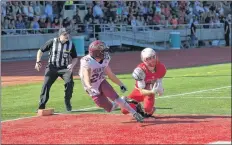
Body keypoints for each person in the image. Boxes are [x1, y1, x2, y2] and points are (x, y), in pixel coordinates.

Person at [79, 40, 144, 122]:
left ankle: (134, 113)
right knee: (109, 108)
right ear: (97, 53)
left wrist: (121, 84)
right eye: (103, 51)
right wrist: (89, 86)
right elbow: (86, 76)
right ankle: (123, 99)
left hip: (101, 81)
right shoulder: (87, 61)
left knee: (115, 97)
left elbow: (110, 74)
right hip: (91, 87)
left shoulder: (105, 59)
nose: (106, 53)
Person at [35, 28, 78, 111]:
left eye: (68, 34)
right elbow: (40, 50)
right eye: (65, 34)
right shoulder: (52, 42)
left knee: (70, 83)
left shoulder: (71, 44)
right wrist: (38, 61)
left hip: (64, 68)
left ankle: (67, 101)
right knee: (46, 85)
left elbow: (75, 58)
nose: (67, 36)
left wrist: (72, 65)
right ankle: (42, 105)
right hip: (52, 67)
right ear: (60, 35)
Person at [121, 48, 166, 118]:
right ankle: (136, 106)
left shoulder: (161, 67)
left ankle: (150, 109)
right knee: (124, 110)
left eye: (154, 57)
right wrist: (151, 91)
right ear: (144, 60)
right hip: (139, 90)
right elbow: (141, 91)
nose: (153, 60)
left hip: (150, 90)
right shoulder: (140, 70)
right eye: (149, 58)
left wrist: (159, 89)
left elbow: (159, 81)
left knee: (148, 110)